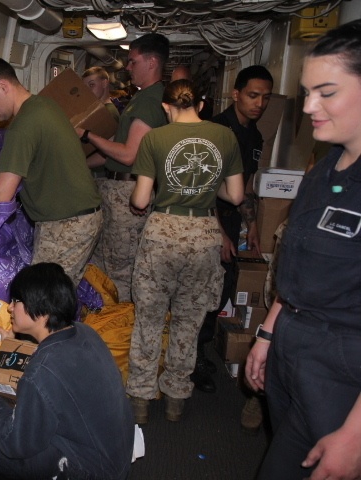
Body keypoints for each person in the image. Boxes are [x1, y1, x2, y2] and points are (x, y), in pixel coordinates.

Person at [245, 19, 361, 480]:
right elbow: (300, 265)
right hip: (295, 349)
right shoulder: (325, 166)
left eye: (326, 92)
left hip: (344, 371)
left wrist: (354, 434)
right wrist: (269, 332)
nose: (309, 106)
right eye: (307, 91)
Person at [125, 79, 244, 424]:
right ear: (201, 105)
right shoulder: (225, 137)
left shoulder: (155, 138)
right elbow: (235, 196)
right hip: (205, 234)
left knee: (148, 318)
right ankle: (177, 397)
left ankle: (141, 398)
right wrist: (205, 188)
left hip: (162, 232)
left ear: (165, 107)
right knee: (189, 321)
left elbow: (141, 200)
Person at [0, 262, 134, 479]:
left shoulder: (41, 372)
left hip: (93, 472)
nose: (10, 307)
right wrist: (10, 347)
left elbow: (16, 444)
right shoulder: (84, 332)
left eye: (16, 301)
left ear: (41, 312)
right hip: (115, 455)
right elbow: (49, 366)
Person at [0, 57, 103, 286]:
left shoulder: (24, 124)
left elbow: (3, 192)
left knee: (43, 302)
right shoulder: (44, 105)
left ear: (3, 86)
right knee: (53, 297)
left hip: (68, 224)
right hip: (74, 217)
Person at [191, 65, 274, 397]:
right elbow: (203, 186)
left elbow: (248, 185)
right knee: (201, 292)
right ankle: (191, 358)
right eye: (253, 95)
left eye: (266, 98)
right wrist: (220, 233)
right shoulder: (215, 129)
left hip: (234, 221)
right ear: (236, 94)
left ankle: (201, 347)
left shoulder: (254, 137)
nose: (259, 104)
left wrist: (252, 225)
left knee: (222, 290)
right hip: (210, 220)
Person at [75, 33, 169, 302]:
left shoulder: (151, 100)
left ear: (151, 62)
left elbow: (128, 155)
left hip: (128, 194)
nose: (128, 68)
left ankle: (120, 330)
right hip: (115, 190)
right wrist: (78, 163)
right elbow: (110, 153)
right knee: (105, 262)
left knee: (122, 269)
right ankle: (107, 323)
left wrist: (88, 135)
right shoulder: (141, 99)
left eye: (133, 61)